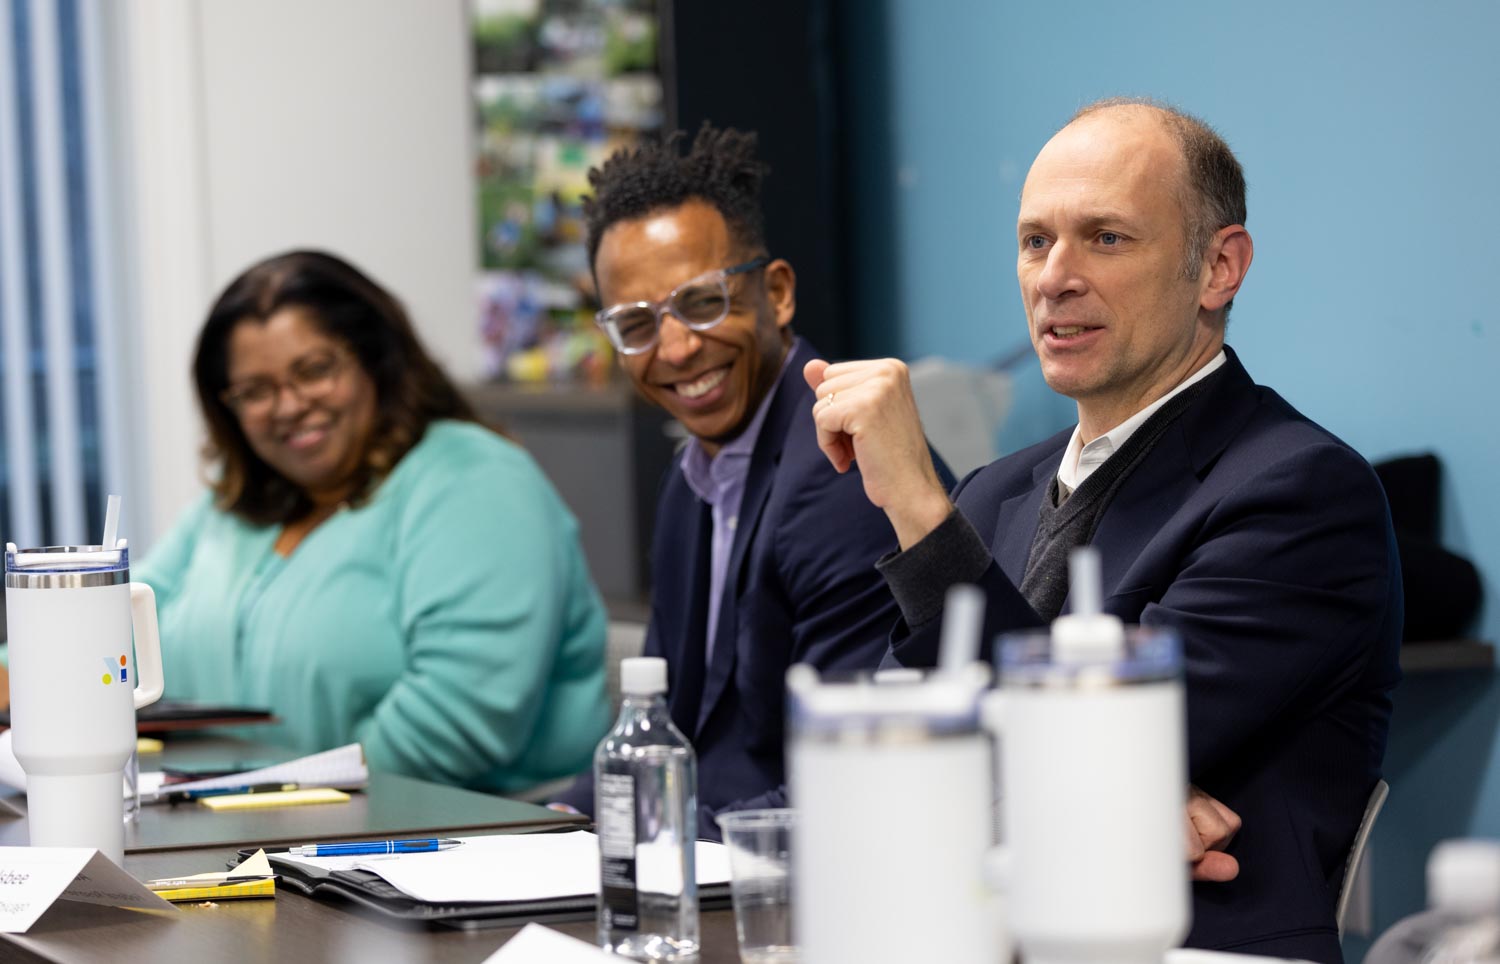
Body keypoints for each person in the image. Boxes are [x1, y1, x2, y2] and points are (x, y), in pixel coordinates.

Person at [804, 100, 1402, 960]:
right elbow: (904, 769)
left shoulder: (1300, 493)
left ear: (1218, 267)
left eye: (1107, 238)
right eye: (1035, 240)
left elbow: (1071, 756)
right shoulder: (997, 489)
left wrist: (915, 505)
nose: (1055, 277)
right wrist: (1095, 810)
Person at [552, 126, 953, 834]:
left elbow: (843, 780)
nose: (674, 348)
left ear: (778, 292)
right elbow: (663, 721)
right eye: (636, 324)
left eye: (703, 303)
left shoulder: (844, 473)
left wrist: (637, 845)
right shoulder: (696, 475)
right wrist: (556, 822)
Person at [137, 250, 609, 795]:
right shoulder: (235, 503)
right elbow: (127, 627)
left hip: (462, 842)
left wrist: (277, 798)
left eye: (314, 370)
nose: (288, 406)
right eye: (256, 391)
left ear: (375, 361)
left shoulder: (474, 479)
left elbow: (454, 721)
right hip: (267, 833)